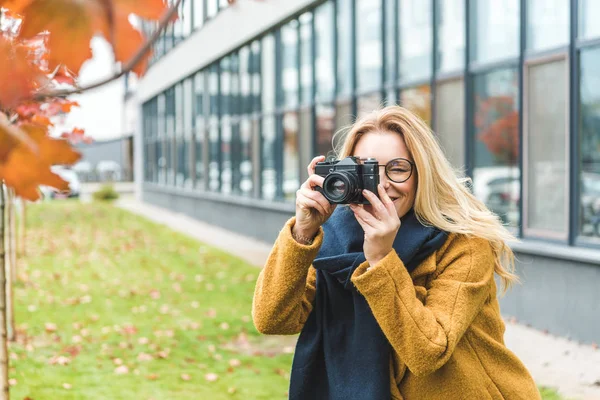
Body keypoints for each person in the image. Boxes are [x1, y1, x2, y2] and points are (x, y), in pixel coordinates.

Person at [252, 106, 540, 400]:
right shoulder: (330, 238)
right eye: (365, 169)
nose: (381, 184)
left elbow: (428, 352)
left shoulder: (463, 242)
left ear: (422, 174)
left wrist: (379, 259)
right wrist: (301, 234)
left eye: (398, 169)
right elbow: (273, 320)